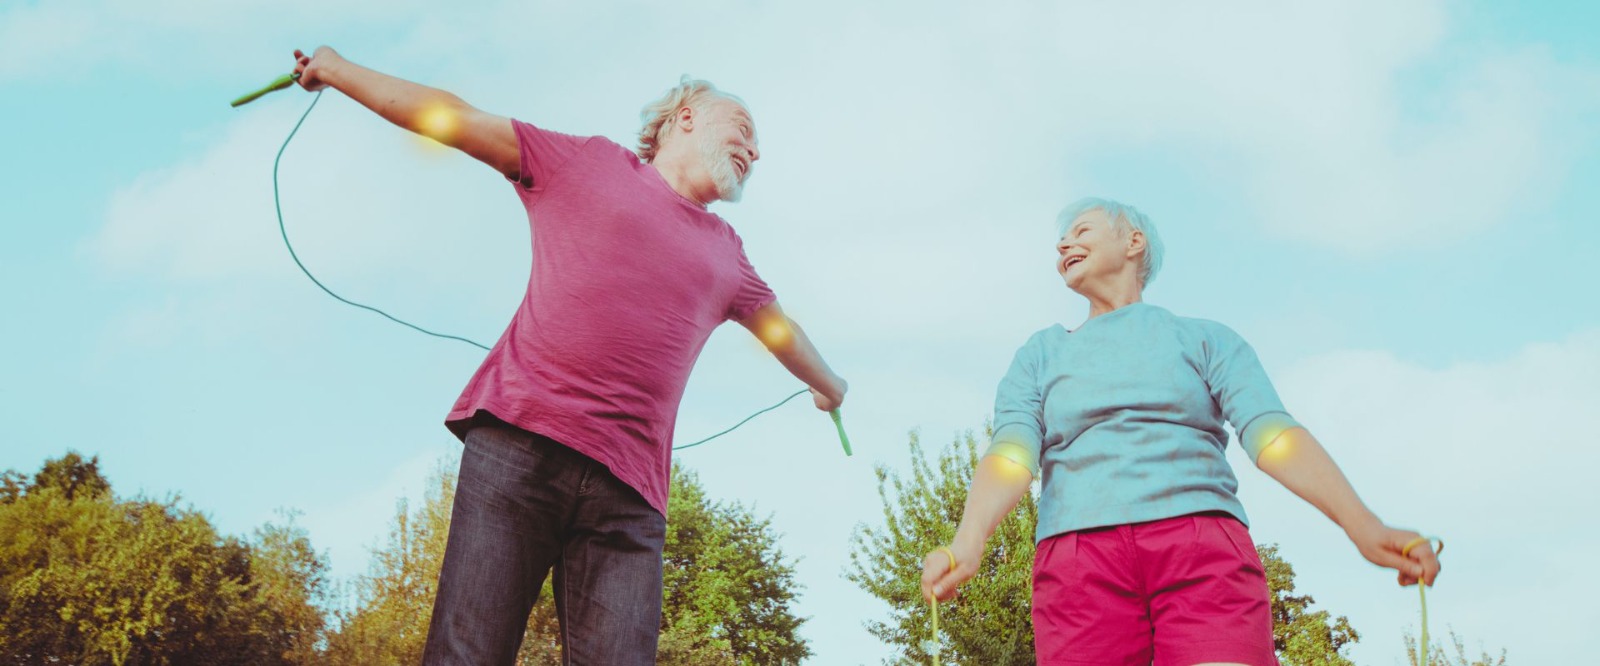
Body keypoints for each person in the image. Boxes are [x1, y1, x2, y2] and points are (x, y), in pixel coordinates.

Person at [291, 47, 848, 665]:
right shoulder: (587, 164)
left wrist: (830, 385)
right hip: (518, 448)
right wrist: (334, 69)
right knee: (467, 653)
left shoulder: (728, 253)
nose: (755, 151)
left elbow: (782, 333)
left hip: (629, 500)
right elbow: (453, 117)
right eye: (743, 129)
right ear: (686, 117)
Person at [919, 197, 1440, 666]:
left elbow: (1274, 436)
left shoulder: (1206, 340)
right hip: (1079, 560)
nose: (1063, 244)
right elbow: (1011, 455)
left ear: (1133, 242)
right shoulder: (1040, 354)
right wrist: (969, 540)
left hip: (1201, 546)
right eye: (1061, 239)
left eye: (1081, 230)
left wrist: (1362, 525)